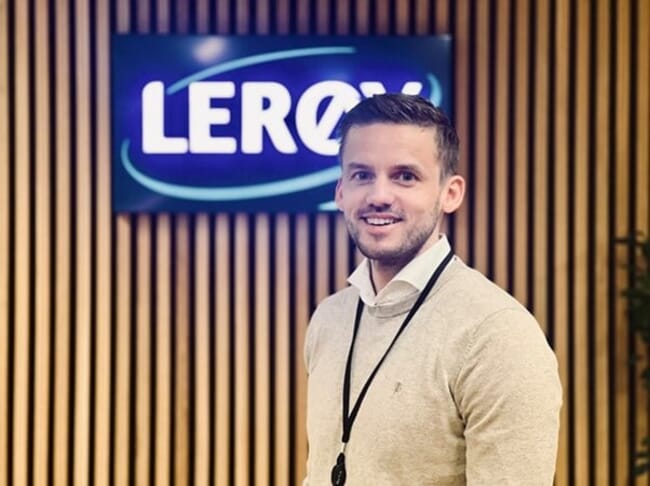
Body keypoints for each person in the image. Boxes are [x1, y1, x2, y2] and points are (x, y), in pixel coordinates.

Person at [303, 93, 562, 485]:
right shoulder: (330, 318)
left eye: (405, 176)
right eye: (362, 175)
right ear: (341, 192)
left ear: (450, 193)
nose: (379, 196)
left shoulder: (497, 334)